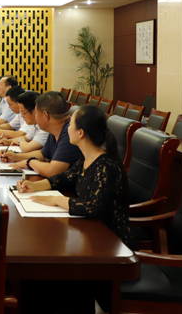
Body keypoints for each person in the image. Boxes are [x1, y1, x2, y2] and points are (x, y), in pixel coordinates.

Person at [16, 104, 134, 249]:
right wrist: (34, 186)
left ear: (80, 133)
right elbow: (65, 178)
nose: (67, 128)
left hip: (111, 243)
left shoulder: (105, 166)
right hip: (89, 232)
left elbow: (91, 206)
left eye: (71, 124)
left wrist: (56, 200)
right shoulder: (86, 158)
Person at [6, 91, 81, 177]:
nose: (35, 117)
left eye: (36, 113)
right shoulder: (54, 130)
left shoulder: (69, 133)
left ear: (45, 115)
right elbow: (43, 155)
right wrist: (15, 157)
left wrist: (30, 162)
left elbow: (53, 171)